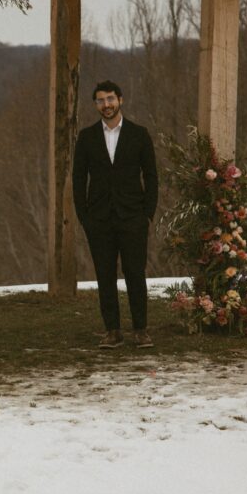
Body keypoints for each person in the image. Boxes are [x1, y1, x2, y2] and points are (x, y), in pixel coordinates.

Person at [72, 81, 158, 349]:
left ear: (120, 99)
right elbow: (77, 179)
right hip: (98, 220)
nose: (106, 105)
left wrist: (147, 214)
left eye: (110, 99)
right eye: (100, 101)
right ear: (96, 105)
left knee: (135, 273)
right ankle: (112, 331)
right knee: (104, 275)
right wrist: (84, 217)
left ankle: (141, 330)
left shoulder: (139, 134)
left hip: (133, 217)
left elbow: (152, 177)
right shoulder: (86, 138)